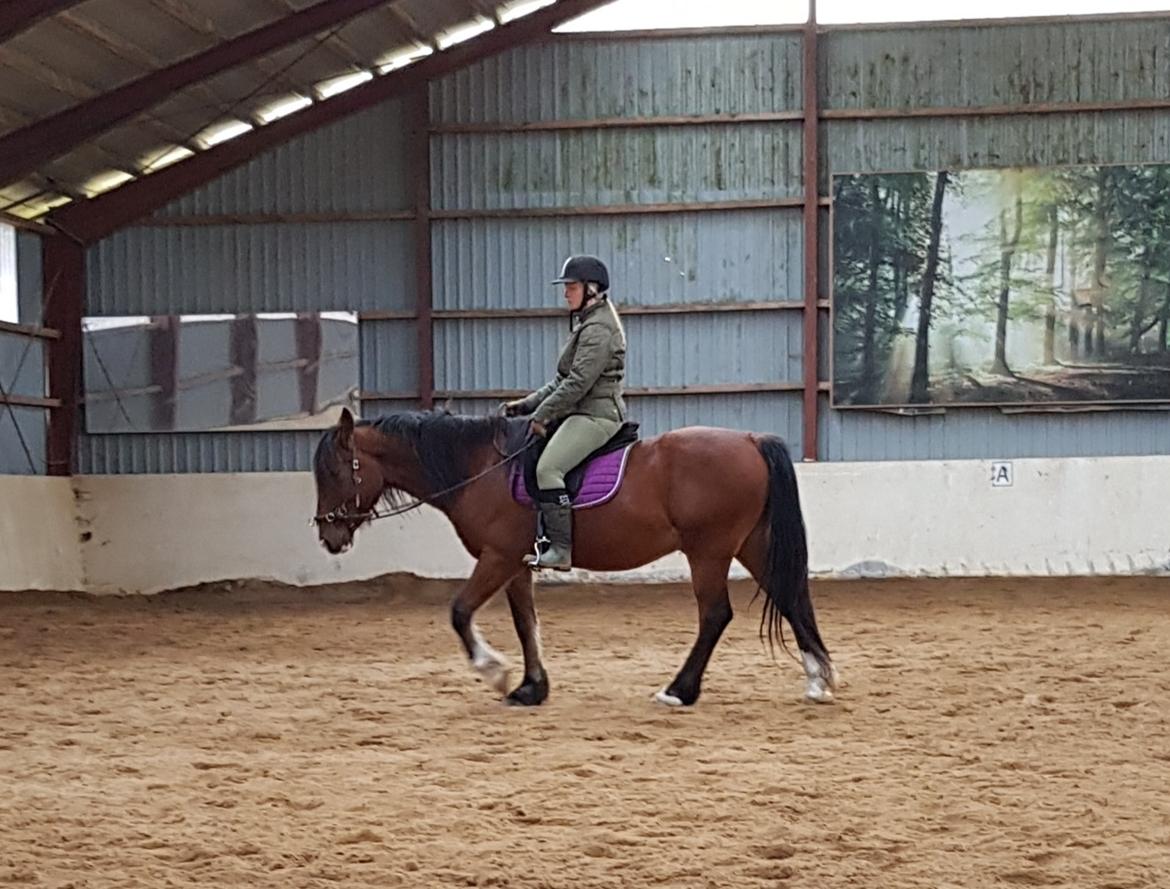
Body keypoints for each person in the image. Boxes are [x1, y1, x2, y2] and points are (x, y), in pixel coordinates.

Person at [501, 255, 627, 571]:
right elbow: (561, 380)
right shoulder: (586, 322)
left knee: (548, 469)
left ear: (592, 289)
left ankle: (561, 548)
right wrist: (527, 404)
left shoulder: (599, 329)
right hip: (579, 410)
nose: (565, 293)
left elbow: (578, 383)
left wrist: (542, 415)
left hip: (597, 415)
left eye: (571, 287)